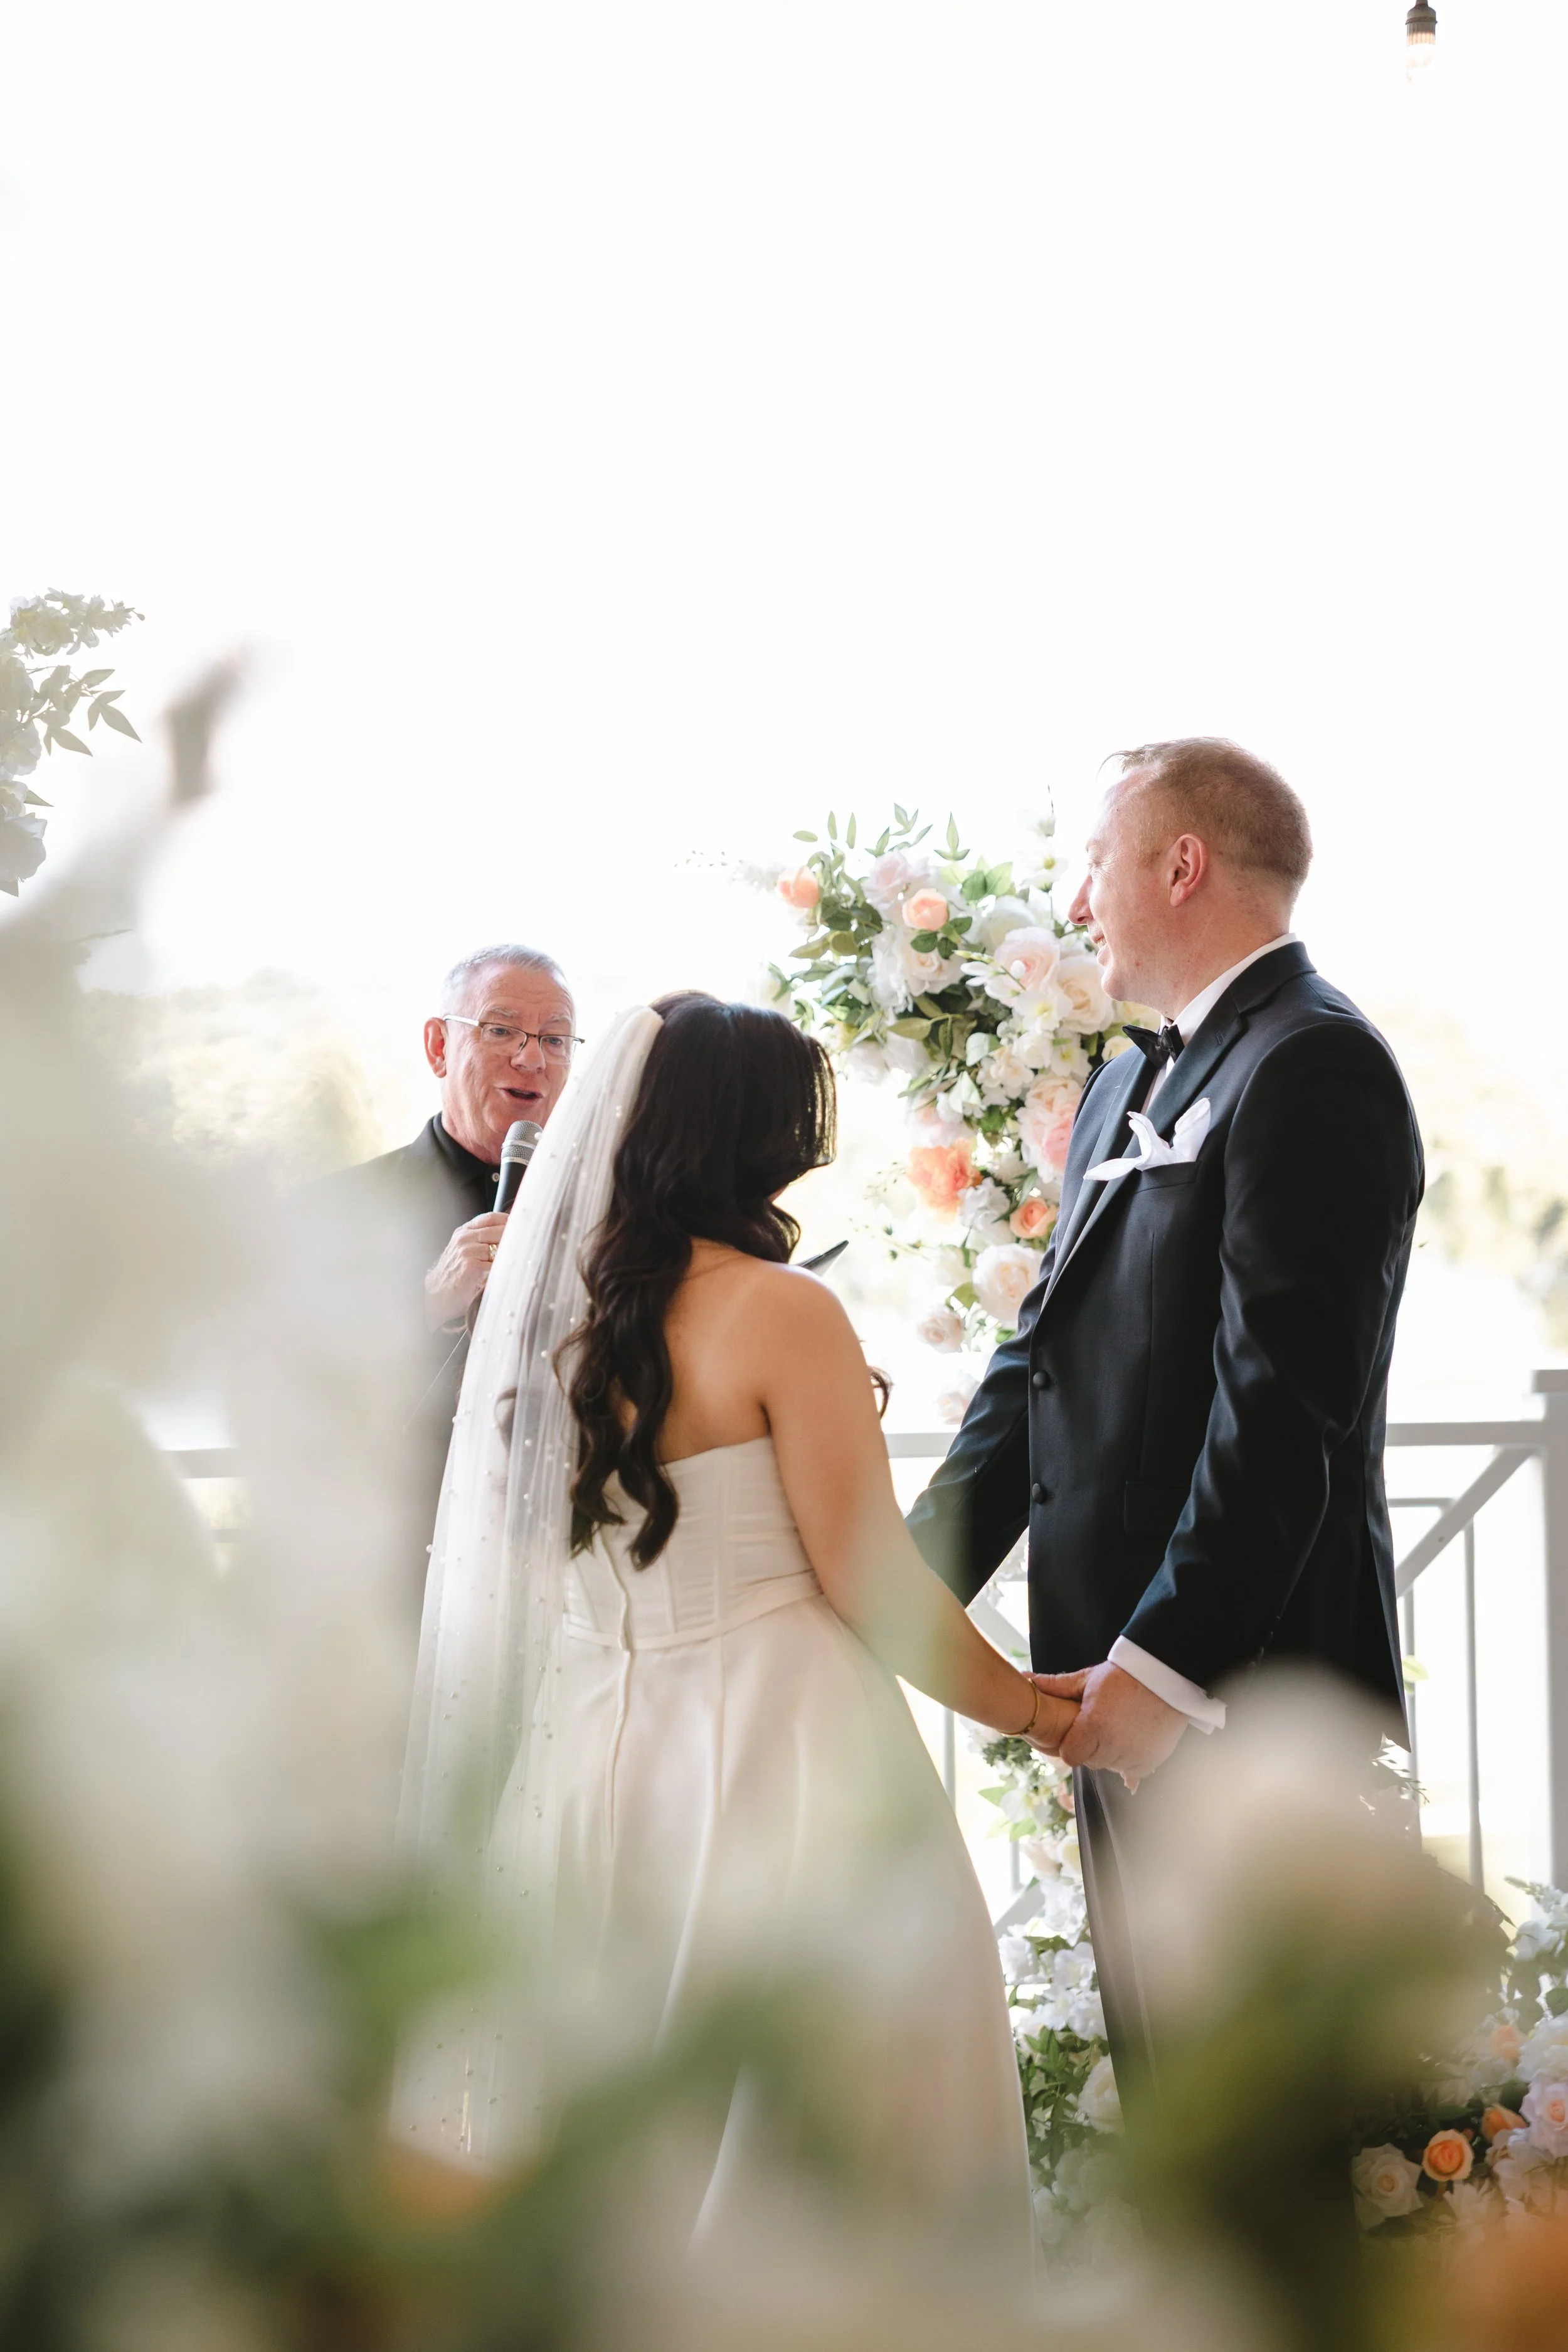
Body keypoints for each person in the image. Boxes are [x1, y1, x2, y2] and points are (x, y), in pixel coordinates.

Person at [393, 993, 1072, 2243]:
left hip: (589, 1748)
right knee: (839, 2104)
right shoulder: (777, 1310)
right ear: (757, 1140)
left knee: (620, 2098)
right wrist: (1038, 1712)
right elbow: (871, 1578)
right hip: (782, 1749)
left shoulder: (549, 1308)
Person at [906, 738, 1424, 2109]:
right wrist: (892, 1590)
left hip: (1238, 1691)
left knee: (1273, 2133)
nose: (1076, 902)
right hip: (1111, 1680)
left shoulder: (1316, 1066)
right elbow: (1040, 1365)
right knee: (1173, 2101)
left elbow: (1282, 1409)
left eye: (1092, 862)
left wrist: (1162, 1667)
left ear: (1177, 863)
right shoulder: (1127, 1084)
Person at [309, 943, 579, 1603]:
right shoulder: (338, 1208)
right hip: (392, 1577)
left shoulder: (608, 1212)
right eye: (501, 1030)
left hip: (566, 1572)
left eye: (554, 1039)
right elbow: (290, 1390)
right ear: (437, 1046)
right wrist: (427, 1300)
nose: (531, 1058)